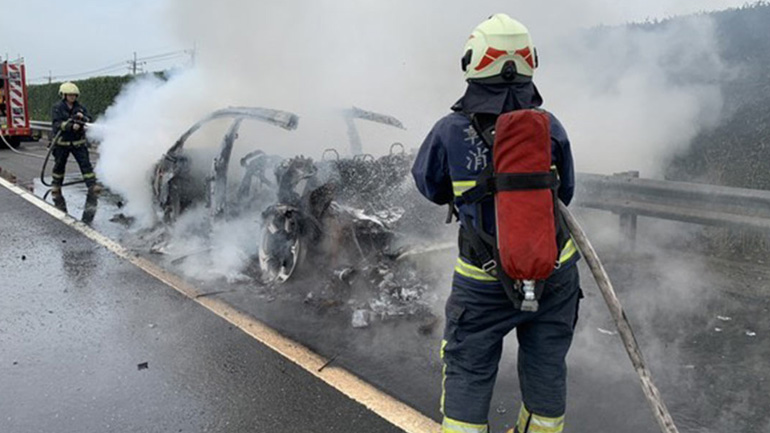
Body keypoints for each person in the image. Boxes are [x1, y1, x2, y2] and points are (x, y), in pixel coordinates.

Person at [412, 14, 581, 433]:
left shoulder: (450, 130)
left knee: (469, 367)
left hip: (484, 279)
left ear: (472, 62)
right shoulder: (550, 127)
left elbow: (429, 185)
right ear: (529, 63)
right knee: (546, 367)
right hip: (555, 273)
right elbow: (566, 193)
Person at [50, 82, 97, 193]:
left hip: (78, 142)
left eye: (74, 95)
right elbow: (57, 123)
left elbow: (89, 119)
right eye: (70, 95)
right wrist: (71, 126)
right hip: (62, 143)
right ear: (64, 95)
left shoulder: (80, 107)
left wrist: (83, 117)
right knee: (59, 166)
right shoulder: (57, 108)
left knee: (86, 165)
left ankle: (92, 185)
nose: (72, 97)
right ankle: (56, 185)